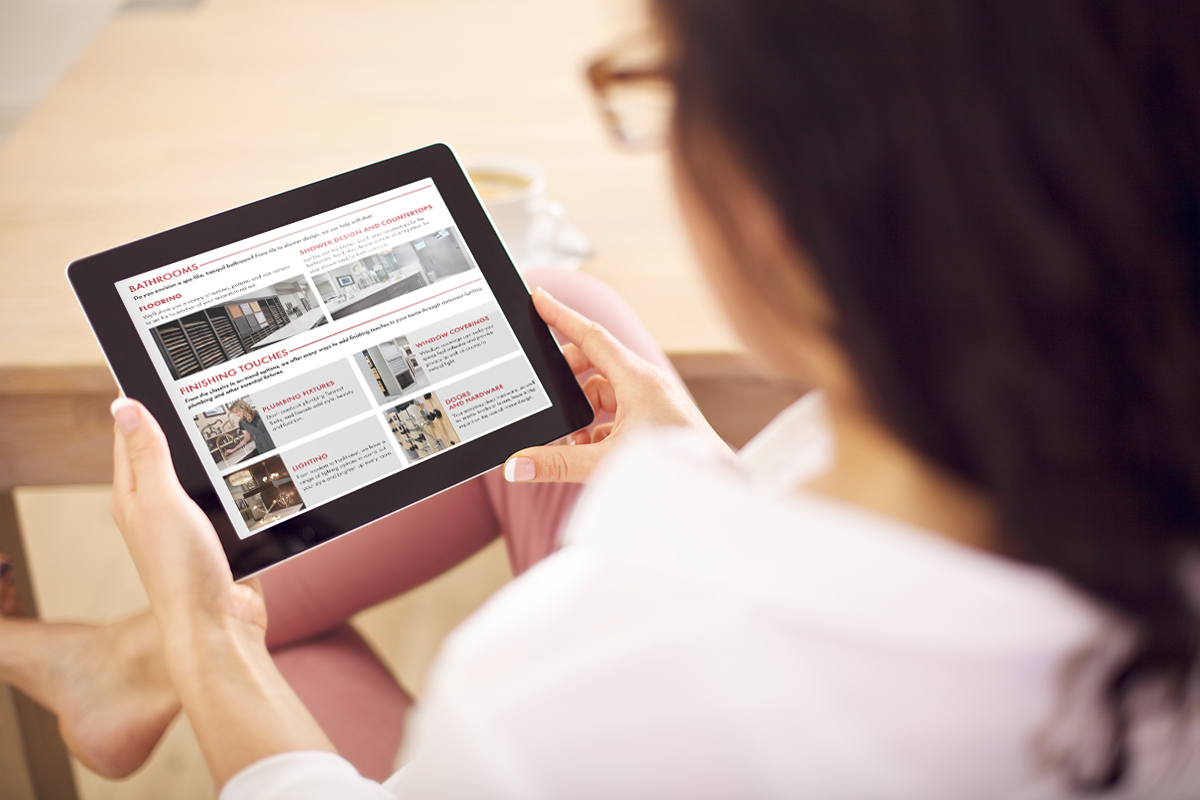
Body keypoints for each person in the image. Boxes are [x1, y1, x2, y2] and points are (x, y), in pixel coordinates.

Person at [4, 0, 1200, 796]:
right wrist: (700, 457)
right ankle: (127, 658)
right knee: (542, 318)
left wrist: (209, 630)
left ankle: (147, 650)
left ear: (782, 219)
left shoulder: (575, 696)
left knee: (266, 640)